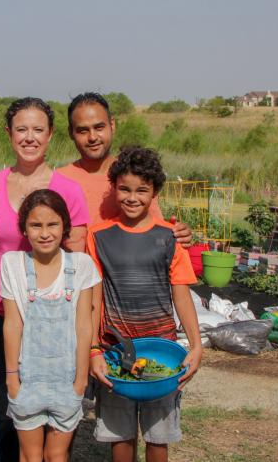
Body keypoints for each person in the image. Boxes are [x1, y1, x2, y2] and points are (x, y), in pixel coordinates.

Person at [0, 97, 90, 461]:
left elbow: (76, 259)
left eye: (38, 130)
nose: (29, 137)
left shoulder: (69, 190)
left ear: (49, 136)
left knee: (58, 406)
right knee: (8, 400)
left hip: (54, 313)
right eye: (21, 129)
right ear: (9, 134)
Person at [87, 146, 202, 462]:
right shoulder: (98, 237)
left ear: (155, 193)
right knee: (120, 437)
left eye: (142, 190)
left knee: (158, 437)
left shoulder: (169, 237)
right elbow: (94, 299)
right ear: (114, 189)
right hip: (114, 352)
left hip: (162, 353)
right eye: (124, 189)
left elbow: (180, 292)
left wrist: (195, 345)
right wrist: (94, 349)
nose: (132, 197)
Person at [1, 189, 99, 462]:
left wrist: (81, 380)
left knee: (56, 454)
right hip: (27, 379)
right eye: (36, 225)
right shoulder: (13, 264)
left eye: (52, 224)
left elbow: (83, 326)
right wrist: (12, 378)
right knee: (30, 455)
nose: (45, 233)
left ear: (65, 227)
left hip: (67, 381)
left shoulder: (81, 265)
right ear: (24, 229)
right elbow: (12, 324)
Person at [56, 92, 192, 244]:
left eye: (99, 127)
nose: (92, 137)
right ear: (71, 133)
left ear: (112, 125)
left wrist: (177, 234)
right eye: (83, 130)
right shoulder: (58, 182)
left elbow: (153, 228)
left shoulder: (134, 172)